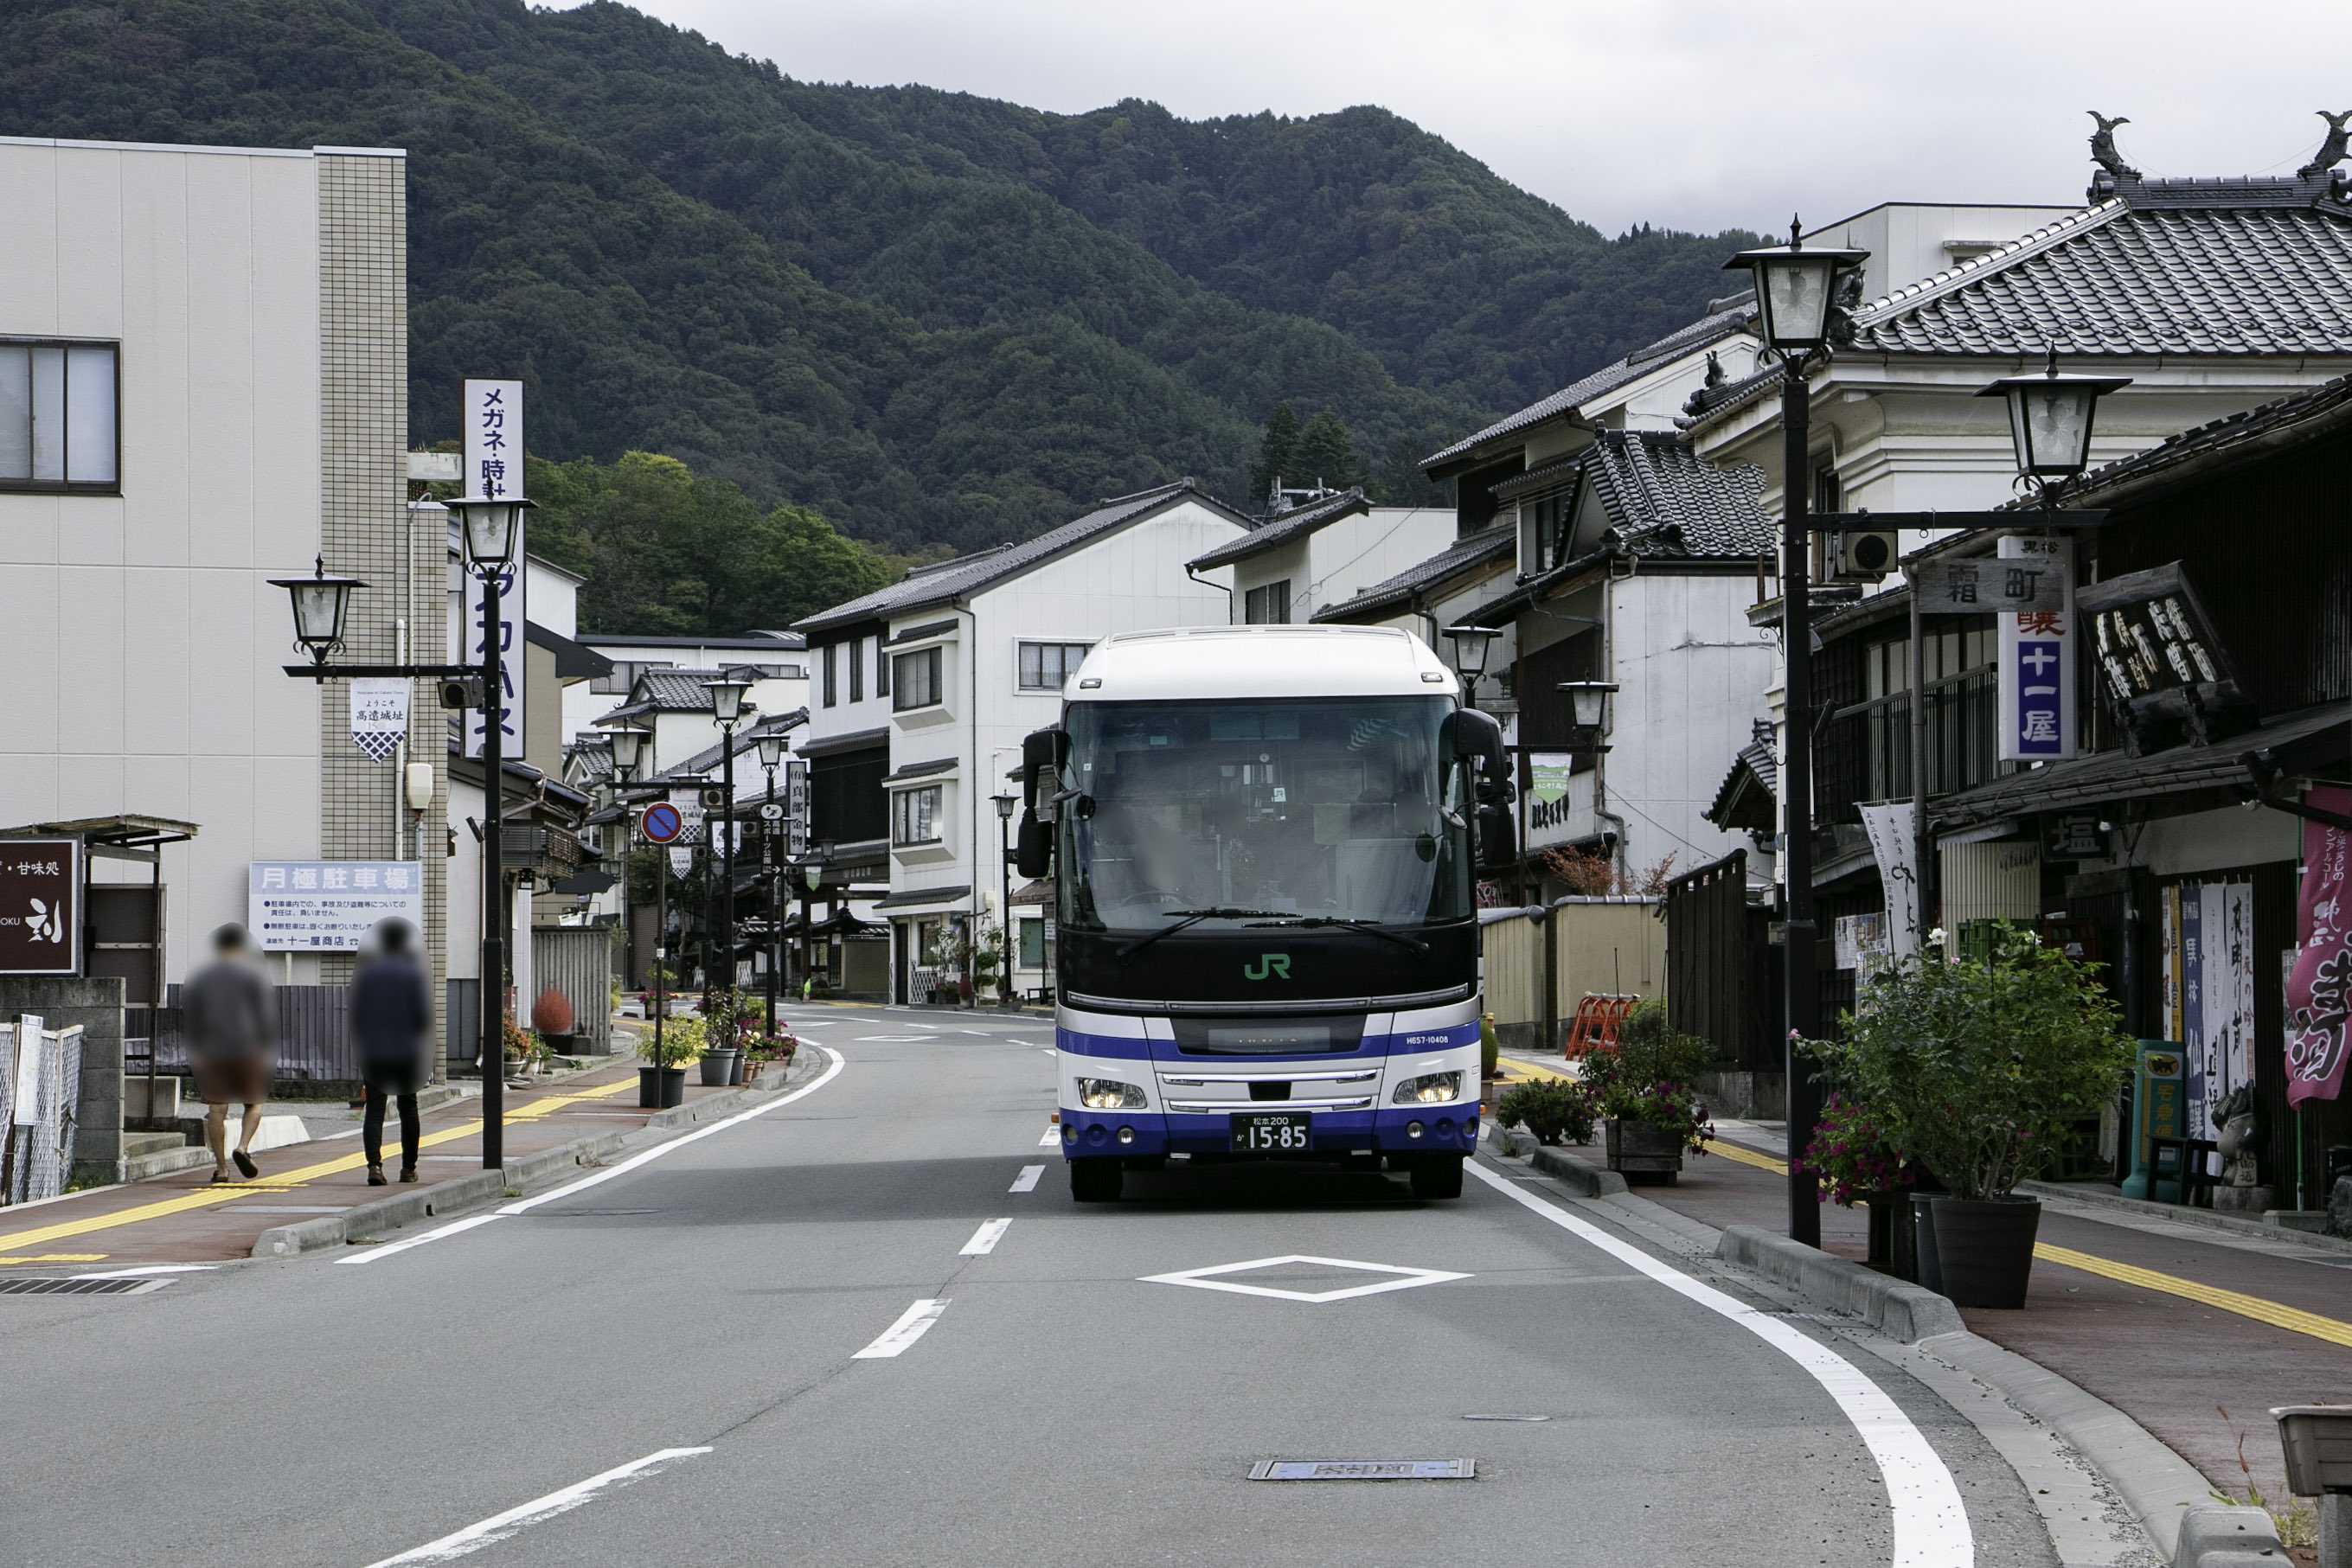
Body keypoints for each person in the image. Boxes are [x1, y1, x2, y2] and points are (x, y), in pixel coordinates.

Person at [182, 923, 274, 1184]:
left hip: (212, 1047)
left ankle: (221, 1169)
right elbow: (263, 1015)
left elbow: (191, 1013)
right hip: (248, 1045)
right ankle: (243, 1147)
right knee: (254, 1102)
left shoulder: (202, 975)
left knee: (217, 1109)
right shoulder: (252, 974)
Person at [350, 917, 433, 1185]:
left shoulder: (367, 974)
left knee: (375, 1109)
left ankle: (374, 1166)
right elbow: (422, 1017)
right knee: (409, 1107)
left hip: (374, 1050)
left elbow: (357, 1015)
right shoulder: (413, 974)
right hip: (406, 1050)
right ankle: (408, 1168)